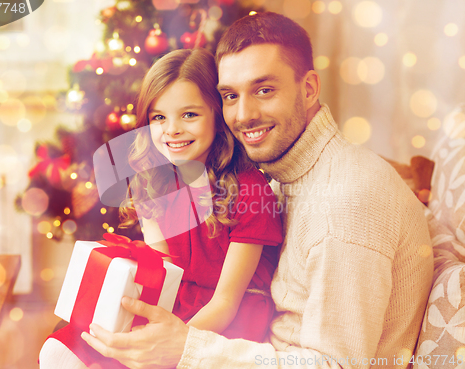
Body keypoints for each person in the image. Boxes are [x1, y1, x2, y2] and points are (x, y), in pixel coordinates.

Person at [79, 11, 434, 369]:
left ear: (309, 88)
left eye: (264, 90)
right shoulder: (280, 171)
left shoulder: (344, 203)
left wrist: (186, 349)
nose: (243, 114)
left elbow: (336, 364)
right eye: (230, 96)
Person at [39, 48, 282, 368]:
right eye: (159, 117)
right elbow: (162, 276)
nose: (172, 129)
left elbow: (226, 302)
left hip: (226, 320)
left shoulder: (250, 191)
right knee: (63, 350)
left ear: (217, 114)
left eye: (190, 115)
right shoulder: (152, 183)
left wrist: (168, 344)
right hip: (173, 303)